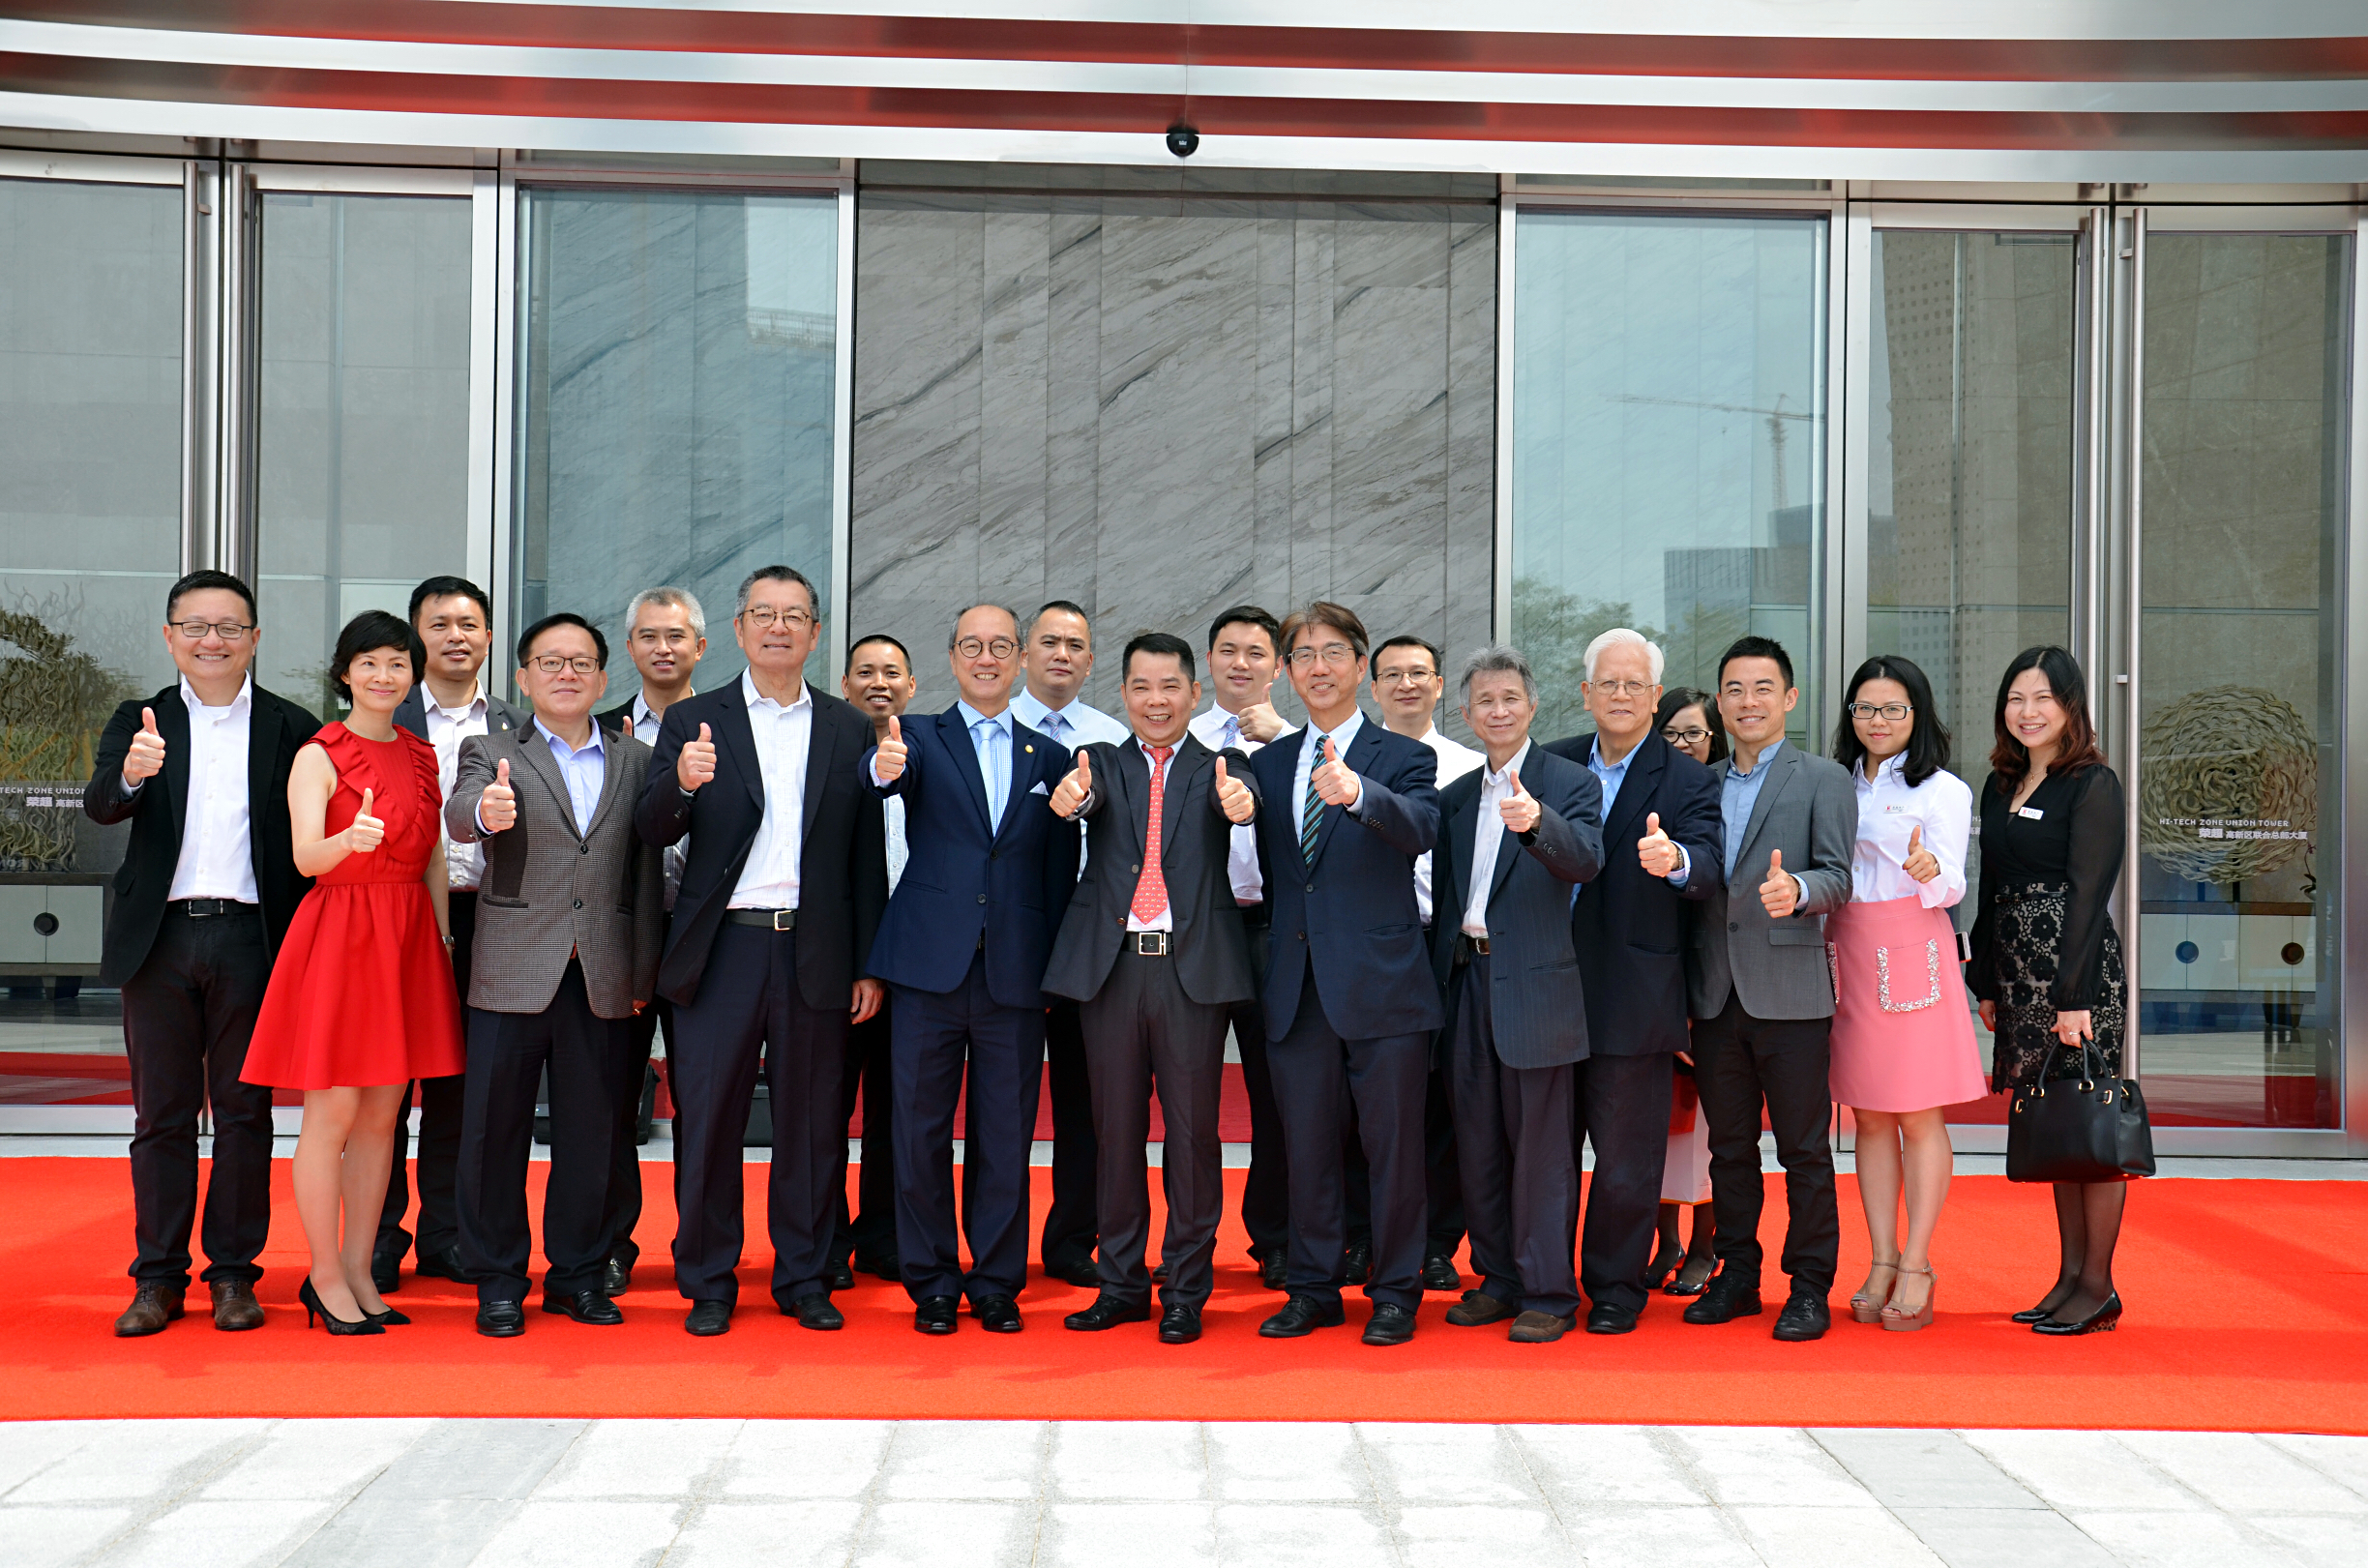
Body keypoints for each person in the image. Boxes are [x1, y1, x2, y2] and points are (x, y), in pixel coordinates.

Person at [636, 567, 887, 1337]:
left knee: (813, 1124)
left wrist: (867, 962)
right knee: (708, 1120)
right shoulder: (694, 719)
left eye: (795, 616)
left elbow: (864, 858)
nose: (779, 627)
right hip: (723, 951)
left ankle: (805, 1273)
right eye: (763, 615)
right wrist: (680, 782)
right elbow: (651, 827)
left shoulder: (848, 727)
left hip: (813, 948)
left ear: (816, 633)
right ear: (740, 630)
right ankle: (709, 1277)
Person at [85, 571, 323, 1337]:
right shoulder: (140, 717)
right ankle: (156, 1277)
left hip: (254, 940)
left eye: (229, 626)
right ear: (170, 636)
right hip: (160, 939)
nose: (212, 639)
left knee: (246, 1112)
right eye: (196, 625)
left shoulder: (291, 725)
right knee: (162, 1115)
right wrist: (130, 771)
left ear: (255, 637)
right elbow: (102, 802)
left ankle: (232, 1275)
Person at [243, 612, 466, 1335]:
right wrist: (349, 837)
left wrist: (438, 932)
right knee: (332, 1114)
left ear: (414, 673)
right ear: (344, 672)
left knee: (383, 1119)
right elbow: (305, 856)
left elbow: (432, 854)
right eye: (368, 663)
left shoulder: (423, 753)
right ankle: (324, 1274)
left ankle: (363, 1267)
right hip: (341, 932)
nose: (384, 676)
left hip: (405, 936)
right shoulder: (320, 752)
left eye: (397, 663)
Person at [447, 613, 664, 1337]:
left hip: (602, 970)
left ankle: (576, 1276)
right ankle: (500, 1281)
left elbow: (643, 872)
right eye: (549, 661)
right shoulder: (491, 748)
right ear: (523, 677)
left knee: (594, 1135)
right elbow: (458, 813)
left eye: (581, 662)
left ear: (604, 678)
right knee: (492, 1133)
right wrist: (485, 809)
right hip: (512, 969)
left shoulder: (635, 759)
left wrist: (642, 969)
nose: (565, 673)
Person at [864, 604, 1078, 1335]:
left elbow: (1057, 871)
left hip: (1013, 976)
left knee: (1005, 1133)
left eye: (999, 647)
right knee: (919, 1131)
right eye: (971, 646)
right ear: (952, 656)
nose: (985, 658)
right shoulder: (917, 735)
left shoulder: (1047, 757)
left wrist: (1050, 971)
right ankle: (930, 1280)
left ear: (1019, 658)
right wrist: (882, 765)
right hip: (927, 967)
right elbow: (888, 777)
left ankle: (995, 1281)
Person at [1044, 632, 1259, 1344]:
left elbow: (1244, 799)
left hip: (1190, 972)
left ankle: (1186, 1288)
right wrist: (1072, 797)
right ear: (1126, 693)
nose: (1156, 700)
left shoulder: (1222, 766)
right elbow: (1084, 794)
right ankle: (1122, 1283)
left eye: (1170, 687)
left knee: (1193, 1136)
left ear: (1194, 695)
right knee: (1115, 1134)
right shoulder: (1100, 760)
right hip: (1113, 968)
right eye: (1141, 687)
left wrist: (1241, 804)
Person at [1246, 602, 1441, 1346]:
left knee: (1394, 1150)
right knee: (1307, 1148)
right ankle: (1313, 1286)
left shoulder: (1402, 756)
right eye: (1304, 655)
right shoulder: (1265, 764)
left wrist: (1359, 795)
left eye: (1333, 653)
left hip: (1384, 985)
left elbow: (1422, 828)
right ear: (1288, 673)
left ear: (1362, 667)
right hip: (1297, 988)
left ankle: (1395, 1291)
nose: (1318, 666)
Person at [1541, 634, 1724, 1334]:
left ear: (1656, 695)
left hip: (1635, 995)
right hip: (1550, 993)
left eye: (1634, 684)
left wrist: (1674, 857)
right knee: (1546, 1155)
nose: (1620, 695)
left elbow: (1708, 866)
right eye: (1606, 684)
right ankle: (1544, 1280)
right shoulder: (1550, 764)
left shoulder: (1688, 781)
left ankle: (1616, 1285)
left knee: (1625, 1160)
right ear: (1585, 694)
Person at [1682, 636, 1856, 1343]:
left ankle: (1809, 1286)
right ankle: (1738, 1276)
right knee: (1727, 1148)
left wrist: (1801, 888)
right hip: (1715, 993)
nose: (1747, 702)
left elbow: (1841, 876)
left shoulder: (1822, 778)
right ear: (1719, 701)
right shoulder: (1700, 780)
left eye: (1762, 688)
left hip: (1789, 992)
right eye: (1734, 689)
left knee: (1804, 1150)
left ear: (1788, 698)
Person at [1428, 647, 1601, 1342]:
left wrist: (1536, 823)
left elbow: (1586, 858)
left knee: (1543, 1150)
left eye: (1510, 698)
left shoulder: (1569, 782)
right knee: (1479, 1144)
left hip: (1537, 990)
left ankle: (1551, 1291)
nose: (1497, 710)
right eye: (1484, 701)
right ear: (1465, 714)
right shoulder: (1455, 797)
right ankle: (1498, 1278)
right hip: (1467, 983)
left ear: (1531, 705)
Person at [1967, 646, 2132, 1337]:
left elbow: (2091, 896)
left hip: (2076, 976)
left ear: (2071, 706)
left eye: (2043, 698)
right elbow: (1991, 884)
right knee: (2059, 1126)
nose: (2028, 712)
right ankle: (2068, 1277)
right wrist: (1985, 976)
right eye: (2016, 698)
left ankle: (2098, 1285)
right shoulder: (2001, 781)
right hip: (2016, 973)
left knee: (2087, 1129)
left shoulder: (2092, 782)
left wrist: (2073, 996)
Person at [1825, 656, 1985, 1332]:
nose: (1878, 721)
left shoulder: (1942, 788)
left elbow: (1952, 884)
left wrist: (1929, 869)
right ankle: (1881, 1256)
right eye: (1866, 708)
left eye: (1893, 708)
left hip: (1914, 947)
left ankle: (1918, 1261)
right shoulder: (1834, 783)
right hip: (1848, 949)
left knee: (1919, 1115)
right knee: (1866, 1116)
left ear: (1917, 714)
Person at [378, 576, 527, 1293]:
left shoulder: (519, 723)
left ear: (490, 637)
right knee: (384, 1081)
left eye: (469, 623)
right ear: (417, 636)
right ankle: (378, 1240)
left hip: (489, 918)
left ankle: (448, 1236)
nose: (456, 636)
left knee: (460, 1087)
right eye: (439, 624)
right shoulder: (385, 714)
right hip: (397, 913)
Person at [1010, 600, 1132, 1288]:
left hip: (1094, 944)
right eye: (1049, 641)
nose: (1062, 653)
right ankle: (1000, 1243)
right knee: (1007, 1099)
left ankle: (1071, 1239)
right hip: (1014, 937)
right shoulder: (997, 722)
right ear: (1025, 653)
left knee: (1088, 1103)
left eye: (1075, 645)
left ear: (1091, 659)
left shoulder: (1110, 737)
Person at [593, 585, 707, 1296]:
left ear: (700, 646)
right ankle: (610, 1245)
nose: (662, 647)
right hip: (621, 934)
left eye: (676, 636)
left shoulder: (729, 726)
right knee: (609, 1098)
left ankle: (699, 1246)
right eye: (648, 636)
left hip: (706, 939)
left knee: (704, 1097)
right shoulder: (595, 730)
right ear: (629, 648)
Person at [1366, 633, 1479, 1294]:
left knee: (1442, 1102)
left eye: (1420, 673)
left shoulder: (1469, 765)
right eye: (1393, 675)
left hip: (1442, 943)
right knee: (1368, 1102)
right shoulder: (1351, 758)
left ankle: (1437, 1241)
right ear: (1373, 686)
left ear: (1439, 686)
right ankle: (1364, 1234)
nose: (1407, 684)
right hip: (1368, 946)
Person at [1186, 605, 1293, 1289]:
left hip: (1276, 930)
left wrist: (1281, 741)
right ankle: (1188, 1243)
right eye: (1228, 650)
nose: (1241, 664)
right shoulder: (1184, 737)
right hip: (1200, 929)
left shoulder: (1303, 740)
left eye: (1257, 653)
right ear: (1209, 661)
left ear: (1278, 666)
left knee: (1278, 1093)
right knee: (1189, 1097)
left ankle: (1276, 1237)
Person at [835, 632, 919, 1283]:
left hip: (916, 966)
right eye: (865, 672)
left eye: (892, 672)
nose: (878, 682)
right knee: (825, 1108)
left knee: (900, 1109)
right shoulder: (830, 754)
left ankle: (886, 1236)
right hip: (837, 965)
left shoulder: (931, 753)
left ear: (912, 687)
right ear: (845, 685)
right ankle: (827, 1239)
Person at [1643, 687, 1727, 1295]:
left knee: (1707, 1131)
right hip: (1652, 990)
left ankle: (1706, 1244)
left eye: (1694, 734)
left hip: (1712, 992)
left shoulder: (1725, 798)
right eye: (1670, 734)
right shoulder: (1647, 795)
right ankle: (1664, 1238)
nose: (1681, 745)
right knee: (1659, 1129)